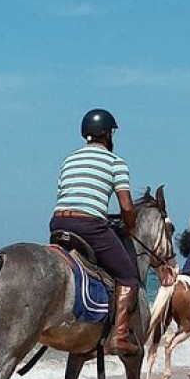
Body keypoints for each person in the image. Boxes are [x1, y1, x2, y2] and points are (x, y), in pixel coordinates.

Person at [49, 108, 141, 356]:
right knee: (128, 277)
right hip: (89, 226)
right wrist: (130, 226)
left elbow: (65, 195)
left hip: (58, 224)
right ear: (108, 134)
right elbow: (126, 206)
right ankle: (119, 336)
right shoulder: (116, 162)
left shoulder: (69, 159)